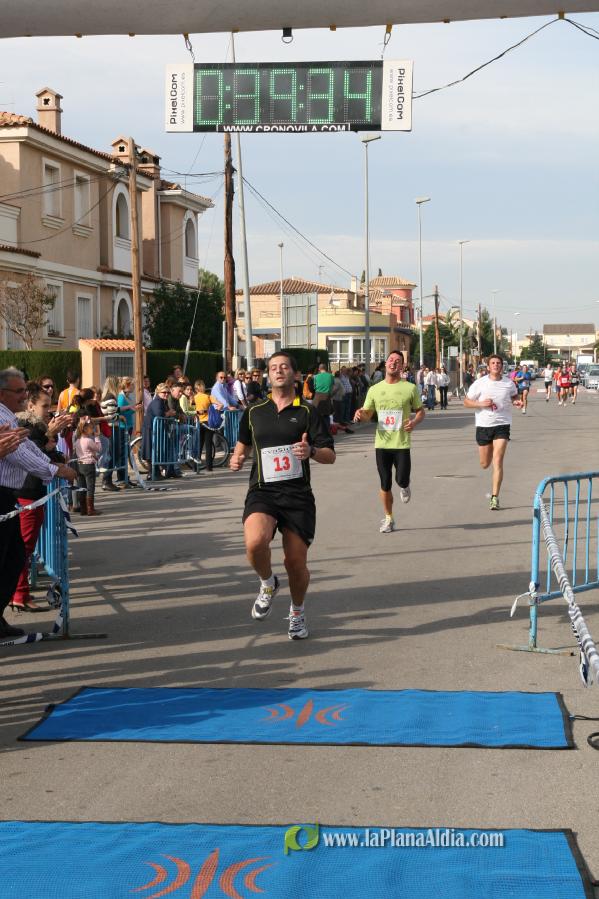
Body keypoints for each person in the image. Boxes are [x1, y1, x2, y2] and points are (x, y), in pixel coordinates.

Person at [230, 351, 335, 640]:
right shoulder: (254, 411)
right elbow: (243, 445)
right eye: (273, 368)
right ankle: (267, 582)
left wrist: (311, 451)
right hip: (263, 491)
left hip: (297, 495)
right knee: (254, 544)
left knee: (295, 563)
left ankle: (297, 612)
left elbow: (330, 455)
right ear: (268, 374)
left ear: (295, 375)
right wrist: (237, 458)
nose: (278, 371)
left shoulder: (308, 411)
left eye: (284, 367)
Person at [0, 368, 76, 638]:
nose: (24, 395)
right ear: (3, 393)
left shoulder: (9, 416)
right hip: (9, 494)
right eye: (19, 391)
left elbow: (28, 448)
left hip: (10, 494)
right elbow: (21, 453)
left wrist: (52, 464)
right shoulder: (3, 416)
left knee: (15, 556)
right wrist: (56, 470)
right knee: (11, 557)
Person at [354, 350, 425, 534]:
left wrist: (414, 422)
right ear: (385, 364)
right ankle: (388, 518)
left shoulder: (409, 388)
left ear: (402, 367)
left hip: (401, 443)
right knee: (385, 482)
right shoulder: (374, 389)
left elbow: (420, 411)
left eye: (398, 361)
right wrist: (360, 414)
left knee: (401, 479)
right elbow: (368, 414)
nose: (394, 363)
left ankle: (405, 485)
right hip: (382, 444)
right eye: (391, 360)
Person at [464, 354, 523, 511]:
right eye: (493, 363)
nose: (496, 365)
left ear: (502, 366)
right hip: (483, 425)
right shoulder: (480, 383)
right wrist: (480, 403)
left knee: (498, 460)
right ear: (488, 366)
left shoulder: (508, 383)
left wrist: (517, 401)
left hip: (502, 425)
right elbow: (466, 402)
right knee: (485, 464)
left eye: (498, 363)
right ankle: (487, 458)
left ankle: (495, 497)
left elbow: (514, 395)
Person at [74, 419, 102, 516]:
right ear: (85, 429)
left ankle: (83, 509)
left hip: (80, 464)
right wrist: (97, 437)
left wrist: (92, 454)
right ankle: (90, 508)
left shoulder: (77, 441)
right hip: (89, 465)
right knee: (90, 487)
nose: (93, 429)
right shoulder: (89, 440)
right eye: (91, 428)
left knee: (82, 487)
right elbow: (98, 448)